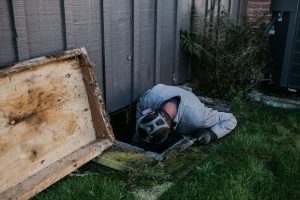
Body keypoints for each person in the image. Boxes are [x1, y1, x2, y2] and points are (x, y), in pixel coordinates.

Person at [132, 84, 237, 152]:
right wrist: (137, 140)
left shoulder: (197, 117)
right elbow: (139, 110)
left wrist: (211, 134)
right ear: (151, 112)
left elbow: (230, 119)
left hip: (188, 103)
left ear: (170, 130)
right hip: (165, 92)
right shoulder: (148, 100)